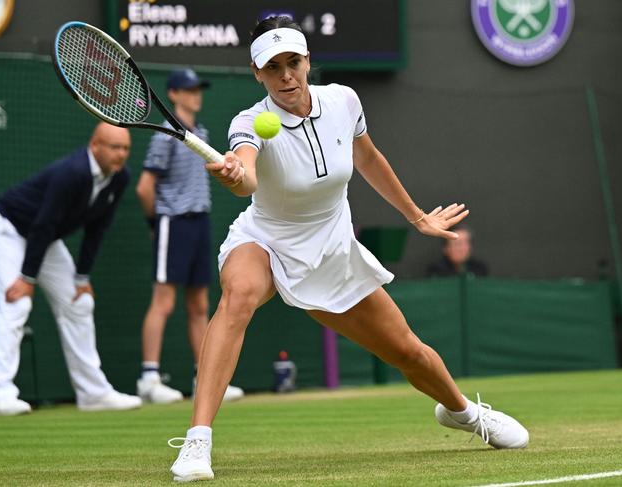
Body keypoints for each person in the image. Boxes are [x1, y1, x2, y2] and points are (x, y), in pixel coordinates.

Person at [167, 17, 529, 482]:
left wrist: (417, 216)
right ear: (257, 73)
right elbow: (249, 178)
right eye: (272, 67)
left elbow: (368, 158)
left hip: (332, 250)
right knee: (237, 297)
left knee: (408, 353)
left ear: (307, 61)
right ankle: (198, 442)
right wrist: (237, 174)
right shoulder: (249, 123)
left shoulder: (344, 101)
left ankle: (465, 413)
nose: (285, 77)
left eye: (292, 63)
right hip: (266, 237)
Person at [0, 122, 142, 416]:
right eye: (114, 147)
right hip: (7, 226)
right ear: (95, 146)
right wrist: (27, 277)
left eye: (126, 148)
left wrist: (82, 277)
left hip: (44, 236)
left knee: (80, 302)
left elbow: (98, 228)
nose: (121, 154)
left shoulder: (120, 177)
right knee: (16, 303)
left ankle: (93, 393)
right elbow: (45, 223)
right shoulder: (73, 172)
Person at [135, 68, 244, 404]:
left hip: (199, 223)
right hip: (173, 222)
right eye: (189, 89)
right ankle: (149, 379)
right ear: (174, 95)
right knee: (163, 302)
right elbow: (144, 188)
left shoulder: (201, 132)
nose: (196, 94)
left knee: (199, 305)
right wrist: (158, 224)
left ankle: (203, 378)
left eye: (198, 89)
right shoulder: (164, 135)